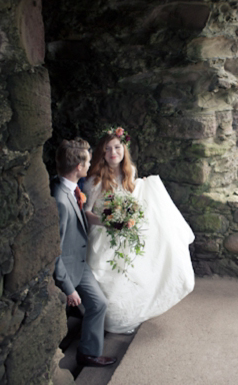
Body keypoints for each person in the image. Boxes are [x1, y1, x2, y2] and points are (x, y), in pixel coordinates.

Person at [83, 127, 195, 334]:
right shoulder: (96, 181)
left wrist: (131, 213)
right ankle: (109, 321)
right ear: (102, 153)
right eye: (107, 149)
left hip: (125, 235)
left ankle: (130, 314)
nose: (113, 153)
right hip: (103, 236)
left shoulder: (130, 172)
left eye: (117, 147)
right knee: (109, 281)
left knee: (132, 276)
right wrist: (107, 222)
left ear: (124, 150)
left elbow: (133, 200)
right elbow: (86, 213)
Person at [52, 138, 117, 367]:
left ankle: (87, 352)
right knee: (94, 304)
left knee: (98, 303)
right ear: (78, 167)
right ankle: (82, 353)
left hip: (80, 263)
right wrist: (68, 288)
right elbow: (53, 250)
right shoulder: (60, 199)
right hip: (68, 268)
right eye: (88, 162)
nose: (90, 165)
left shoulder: (71, 189)